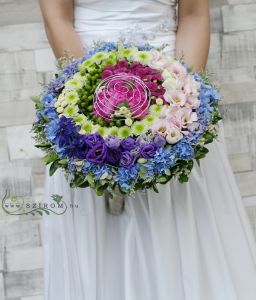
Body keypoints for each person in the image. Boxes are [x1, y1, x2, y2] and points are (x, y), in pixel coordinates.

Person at [39, 0, 256, 299]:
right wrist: (93, 111)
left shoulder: (179, 107)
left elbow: (194, 14)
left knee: (182, 225)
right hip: (85, 94)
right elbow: (57, 19)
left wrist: (183, 105)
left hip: (171, 95)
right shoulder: (87, 106)